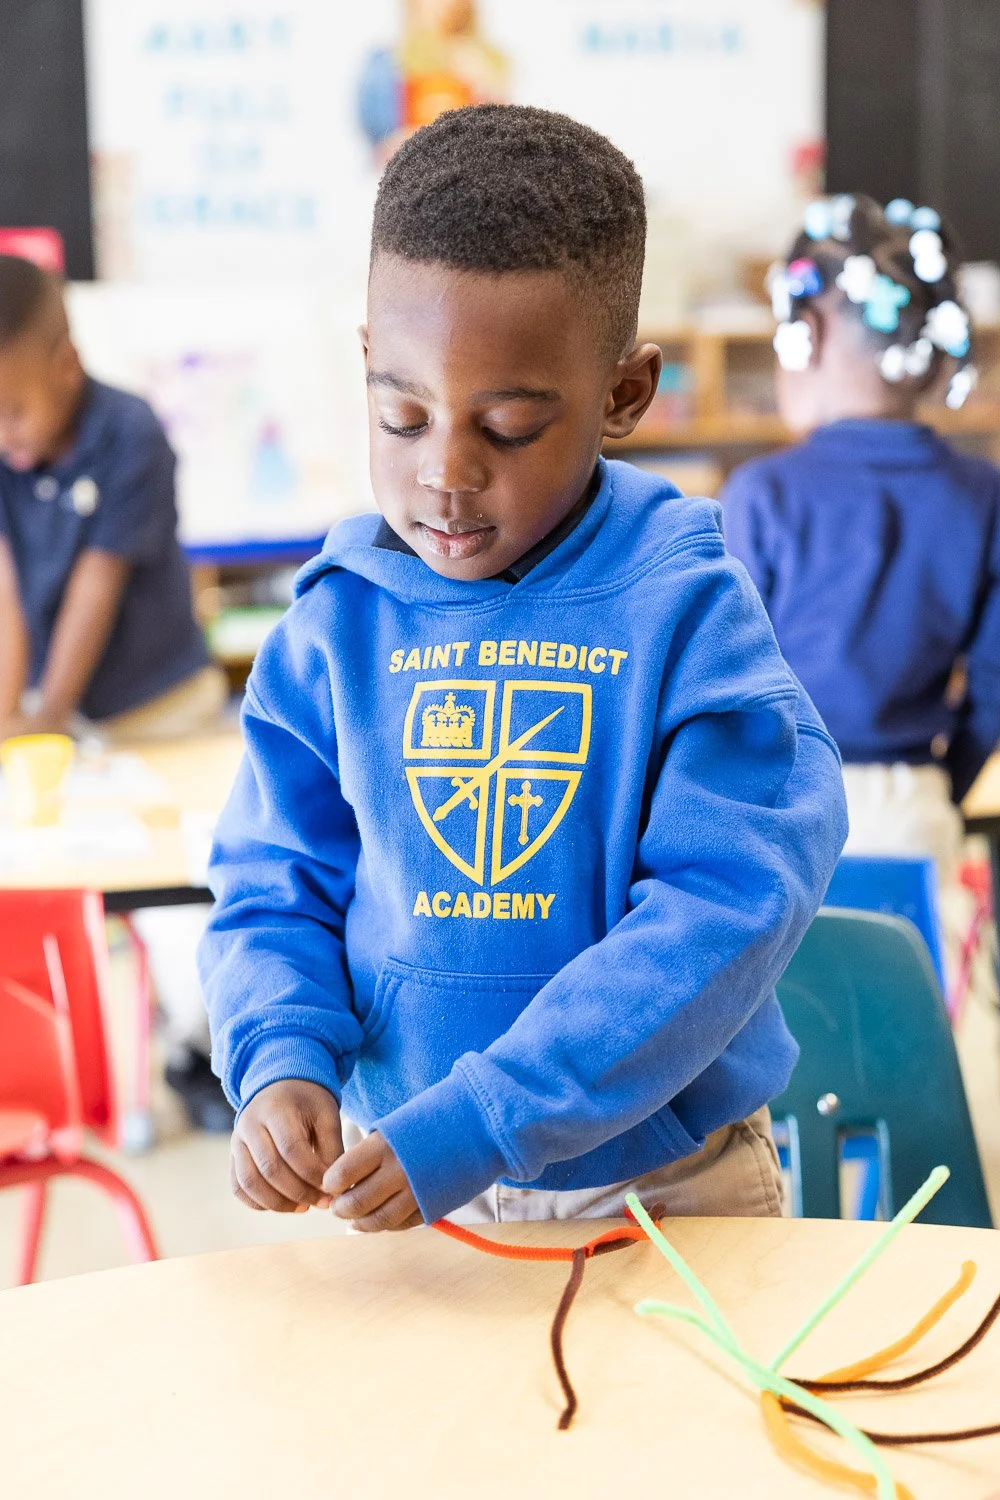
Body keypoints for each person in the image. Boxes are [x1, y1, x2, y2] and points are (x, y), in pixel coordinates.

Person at [201, 105, 847, 1231]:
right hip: (401, 1179)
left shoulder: (686, 617)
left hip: (665, 1189)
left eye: (504, 428)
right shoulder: (334, 627)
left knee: (674, 1418)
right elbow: (272, 882)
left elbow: (722, 911)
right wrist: (281, 1054)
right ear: (365, 363)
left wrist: (493, 1116)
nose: (445, 474)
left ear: (623, 396)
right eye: (401, 416)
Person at [723, 195, 997, 946]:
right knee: (901, 1037)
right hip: (915, 806)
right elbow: (996, 686)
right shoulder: (984, 496)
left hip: (783, 806)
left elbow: (723, 679)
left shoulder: (763, 493)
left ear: (803, 334)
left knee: (782, 1040)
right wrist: (937, 779)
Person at [0, 252, 230, 1126]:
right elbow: (7, 593)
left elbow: (95, 589)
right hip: (54, 724)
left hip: (158, 711)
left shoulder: (130, 433)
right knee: (60, 880)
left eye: (13, 410)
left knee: (183, 904)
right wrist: (13, 720)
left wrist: (44, 714)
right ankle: (67, 1071)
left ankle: (204, 1058)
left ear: (65, 363)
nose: (6, 435)